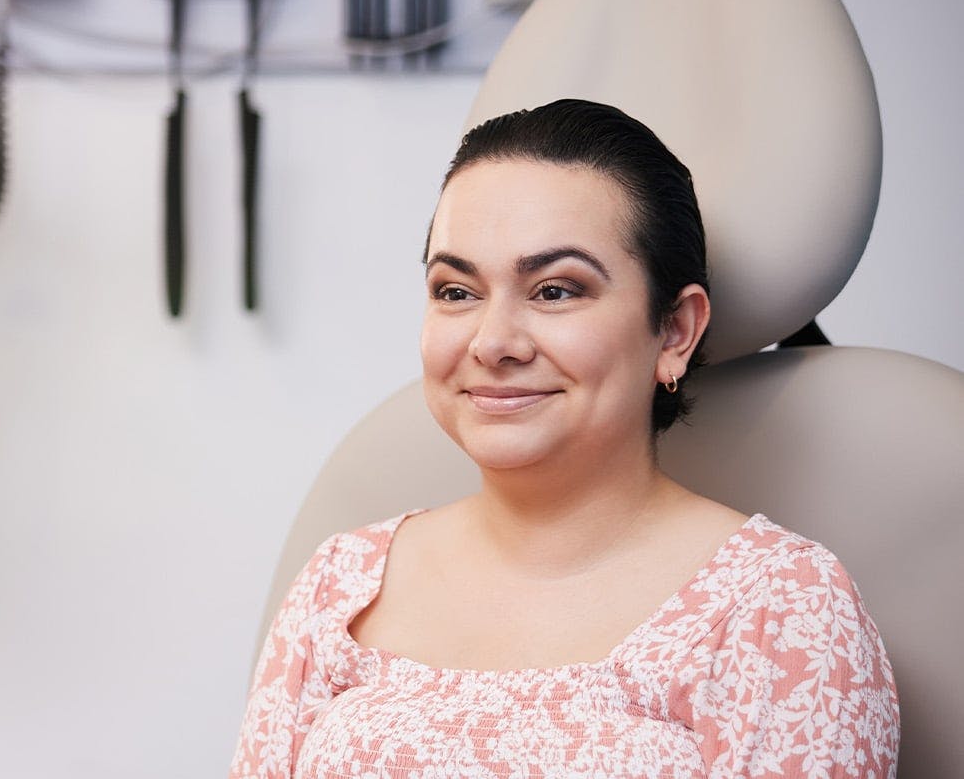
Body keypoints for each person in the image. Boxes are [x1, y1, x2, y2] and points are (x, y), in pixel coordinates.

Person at [228, 100, 899, 778]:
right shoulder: (340, 585)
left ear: (674, 330)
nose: (491, 342)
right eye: (455, 290)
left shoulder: (783, 610)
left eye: (554, 290)